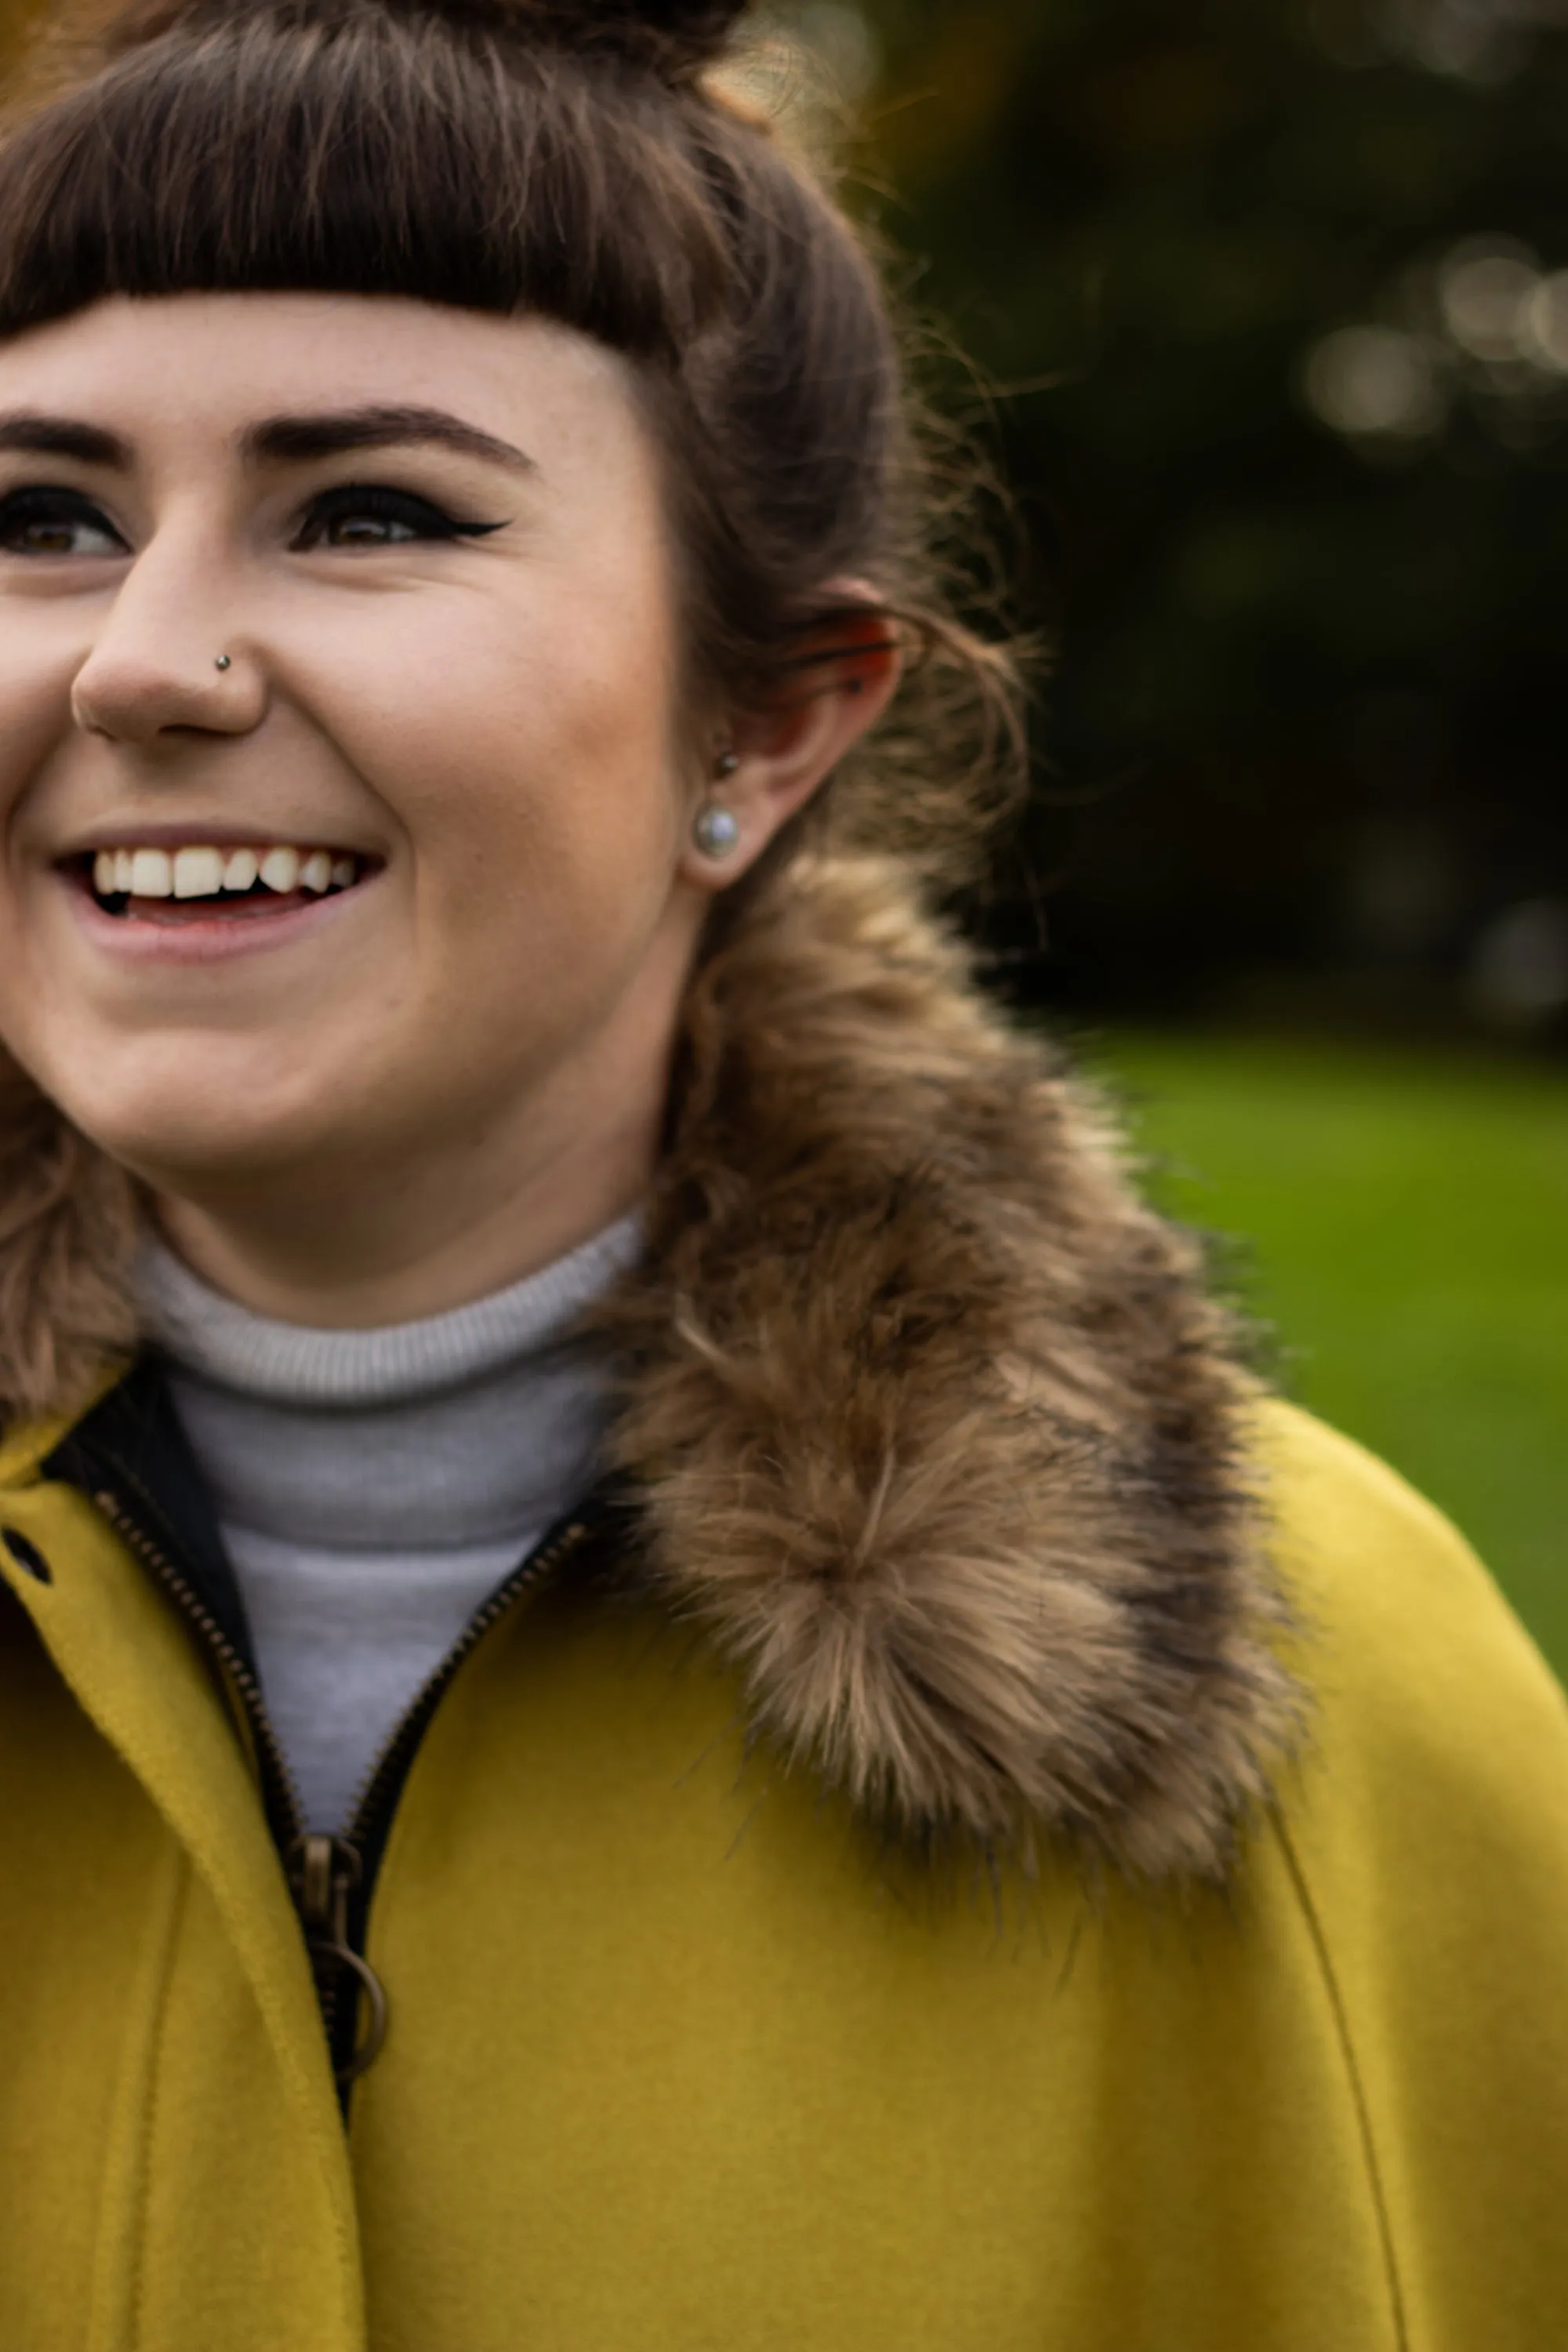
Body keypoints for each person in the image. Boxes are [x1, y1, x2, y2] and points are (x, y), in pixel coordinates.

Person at [0, 1, 1564, 2344]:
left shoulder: (1355, 1718)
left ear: (774, 717)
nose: (143, 661)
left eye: (374, 514)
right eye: (43, 517)